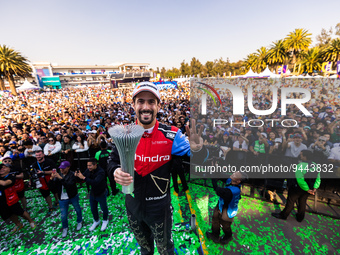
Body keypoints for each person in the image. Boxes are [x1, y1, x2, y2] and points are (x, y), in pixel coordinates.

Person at [109, 82, 207, 255]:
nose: (145, 107)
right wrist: (115, 171)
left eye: (151, 102)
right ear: (133, 105)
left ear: (158, 106)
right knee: (145, 250)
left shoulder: (172, 134)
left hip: (159, 208)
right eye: (141, 101)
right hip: (133, 206)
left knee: (165, 250)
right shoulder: (124, 134)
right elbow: (111, 162)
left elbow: (201, 160)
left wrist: (199, 149)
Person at [272, 150, 321, 222]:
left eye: (301, 155)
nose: (300, 156)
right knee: (302, 202)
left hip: (298, 188)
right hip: (310, 188)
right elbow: (318, 178)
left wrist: (306, 189)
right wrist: (314, 188)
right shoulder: (315, 165)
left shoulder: (301, 165)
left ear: (305, 156)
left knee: (290, 201)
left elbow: (300, 179)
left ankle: (283, 215)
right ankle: (300, 217)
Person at [206, 172, 245, 244]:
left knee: (225, 225)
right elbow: (222, 176)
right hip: (221, 204)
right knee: (215, 218)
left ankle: (228, 236)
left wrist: (213, 177)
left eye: (235, 175)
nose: (233, 174)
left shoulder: (231, 191)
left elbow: (217, 189)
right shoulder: (231, 180)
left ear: (238, 181)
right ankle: (215, 235)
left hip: (228, 210)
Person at [49, 161, 83, 238]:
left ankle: (79, 221)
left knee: (77, 209)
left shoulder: (72, 175)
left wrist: (61, 178)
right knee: (63, 215)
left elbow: (69, 185)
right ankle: (65, 227)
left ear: (68, 167)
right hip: (62, 198)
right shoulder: (58, 175)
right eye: (60, 168)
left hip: (72, 196)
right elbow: (52, 188)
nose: (61, 170)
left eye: (63, 168)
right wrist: (51, 179)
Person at [0, 163, 36, 233]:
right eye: (1, 168)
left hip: (11, 199)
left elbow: (5, 183)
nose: (2, 169)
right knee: (9, 214)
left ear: (9, 169)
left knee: (20, 212)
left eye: (4, 168)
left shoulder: (11, 176)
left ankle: (31, 221)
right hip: (2, 200)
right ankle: (18, 224)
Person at [75, 158, 109, 231]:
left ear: (95, 165)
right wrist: (77, 176)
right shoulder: (88, 170)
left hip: (101, 193)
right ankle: (96, 220)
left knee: (103, 208)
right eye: (87, 165)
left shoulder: (101, 172)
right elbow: (82, 178)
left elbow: (95, 182)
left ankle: (105, 220)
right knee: (93, 209)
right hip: (92, 193)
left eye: (90, 165)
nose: (88, 167)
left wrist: (83, 178)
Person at [30, 150, 59, 214]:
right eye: (37, 155)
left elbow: (54, 171)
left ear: (43, 155)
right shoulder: (34, 164)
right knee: (46, 195)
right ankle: (50, 206)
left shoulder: (49, 161)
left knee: (55, 191)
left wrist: (43, 172)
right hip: (41, 181)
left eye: (39, 155)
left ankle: (57, 201)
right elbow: (32, 174)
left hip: (50, 179)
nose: (38, 156)